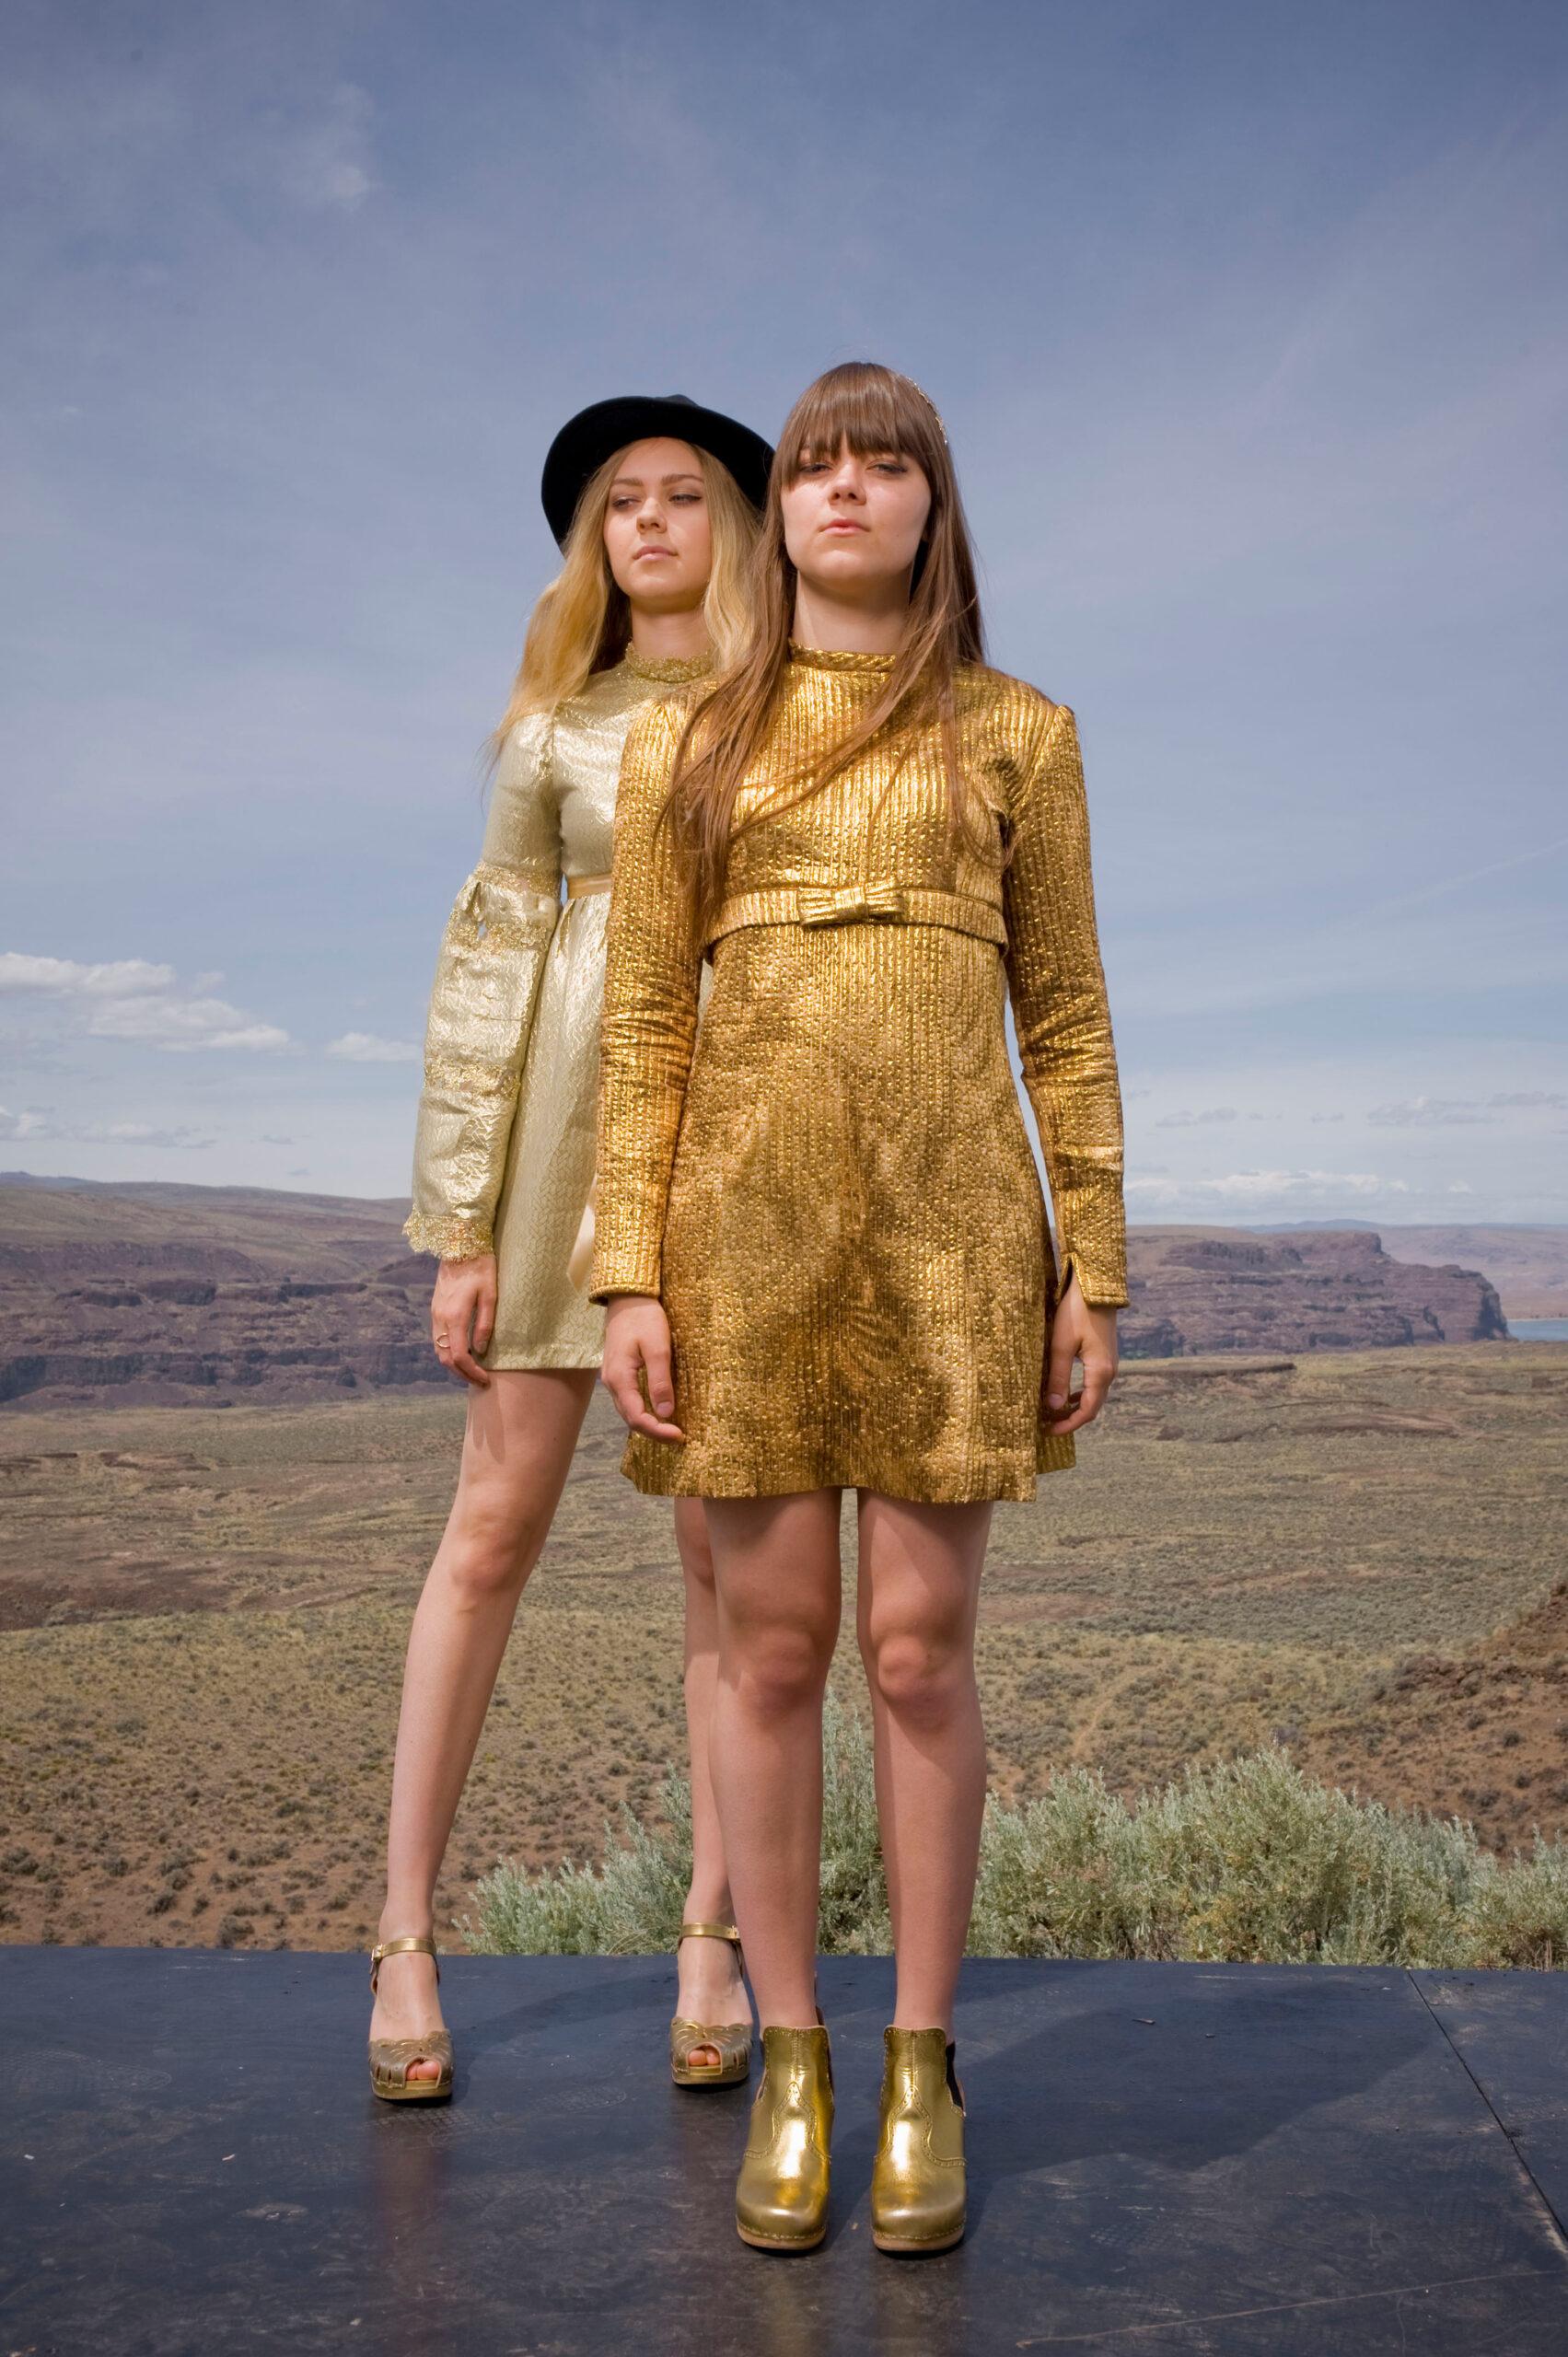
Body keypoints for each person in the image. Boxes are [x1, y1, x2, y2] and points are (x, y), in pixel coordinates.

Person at [590, 362, 1126, 2252]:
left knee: (914, 1647)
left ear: (931, 504)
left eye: (882, 459)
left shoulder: (1021, 734)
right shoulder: (694, 744)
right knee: (769, 1647)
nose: (842, 486)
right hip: (741, 1231)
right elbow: (649, 1020)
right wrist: (627, 1265)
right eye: (815, 459)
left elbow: (1060, 1013)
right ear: (784, 507)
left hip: (955, 1229)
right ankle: (791, 2054)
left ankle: (920, 2060)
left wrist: (1099, 1256)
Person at [368, 395, 773, 2104]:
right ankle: (401, 1928)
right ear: (592, 541)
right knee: (491, 1529)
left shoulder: (795, 718)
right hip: (556, 1148)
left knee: (719, 1567)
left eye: (688, 498)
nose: (656, 524)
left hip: (744, 1152)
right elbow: (490, 980)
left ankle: (714, 1927)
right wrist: (463, 1219)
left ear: (736, 530)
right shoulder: (552, 733)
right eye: (625, 505)